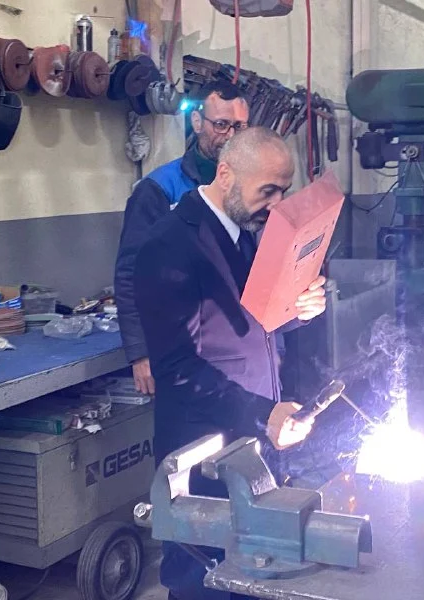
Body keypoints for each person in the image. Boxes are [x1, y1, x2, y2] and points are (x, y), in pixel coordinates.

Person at [134, 127, 327, 600]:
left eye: (283, 191)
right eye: (268, 191)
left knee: (252, 573)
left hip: (250, 435)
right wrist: (262, 412)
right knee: (202, 580)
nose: (276, 205)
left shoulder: (245, 235)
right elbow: (177, 367)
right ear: (226, 174)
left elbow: (254, 322)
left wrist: (299, 310)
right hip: (202, 449)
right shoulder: (169, 245)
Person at [115, 80, 250, 396]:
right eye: (221, 125)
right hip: (181, 348)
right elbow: (130, 273)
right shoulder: (159, 189)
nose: (231, 136)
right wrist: (140, 352)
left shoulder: (249, 190)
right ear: (197, 121)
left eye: (239, 127)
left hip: (239, 346)